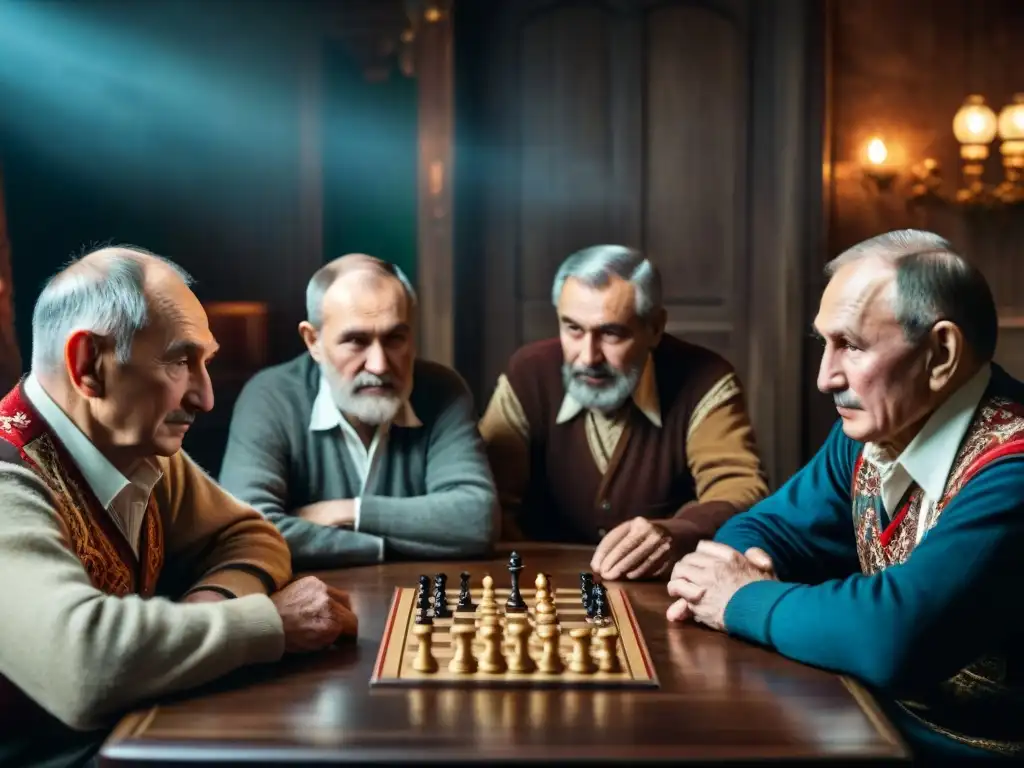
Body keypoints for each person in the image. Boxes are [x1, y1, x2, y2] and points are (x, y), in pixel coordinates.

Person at [667, 229, 1024, 760]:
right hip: (872, 724)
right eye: (825, 343)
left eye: (852, 346)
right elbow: (762, 528)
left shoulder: (1012, 468)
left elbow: (891, 634)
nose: (824, 377)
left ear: (941, 354)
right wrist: (740, 570)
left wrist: (741, 597)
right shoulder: (874, 431)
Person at [0, 246, 358, 767]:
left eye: (204, 363)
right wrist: (269, 624)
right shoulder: (9, 483)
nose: (206, 397)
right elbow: (84, 667)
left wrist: (211, 612)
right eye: (179, 362)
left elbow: (251, 536)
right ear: (88, 366)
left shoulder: (136, 447)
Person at [479, 245, 768, 581]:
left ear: (655, 328)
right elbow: (489, 497)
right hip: (541, 587)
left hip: (662, 588)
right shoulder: (528, 374)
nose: (588, 356)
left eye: (611, 333)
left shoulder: (705, 379)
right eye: (573, 329)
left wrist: (675, 532)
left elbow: (740, 490)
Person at [219, 253, 497, 569]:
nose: (378, 365)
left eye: (395, 338)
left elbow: (476, 519)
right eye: (356, 341)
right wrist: (383, 546)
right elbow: (248, 533)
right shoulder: (270, 397)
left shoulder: (443, 390)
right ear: (313, 342)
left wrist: (347, 512)